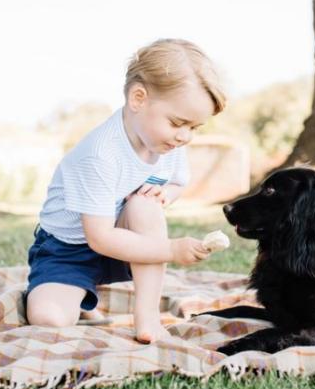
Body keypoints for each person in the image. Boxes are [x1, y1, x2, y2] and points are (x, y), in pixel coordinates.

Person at [24, 38, 226, 343]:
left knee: (145, 206)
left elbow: (175, 183)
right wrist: (171, 249)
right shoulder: (100, 154)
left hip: (126, 241)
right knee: (49, 319)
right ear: (138, 98)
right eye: (178, 123)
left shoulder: (168, 143)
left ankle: (147, 318)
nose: (184, 136)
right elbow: (100, 237)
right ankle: (73, 293)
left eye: (194, 128)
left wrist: (164, 195)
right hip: (68, 250)